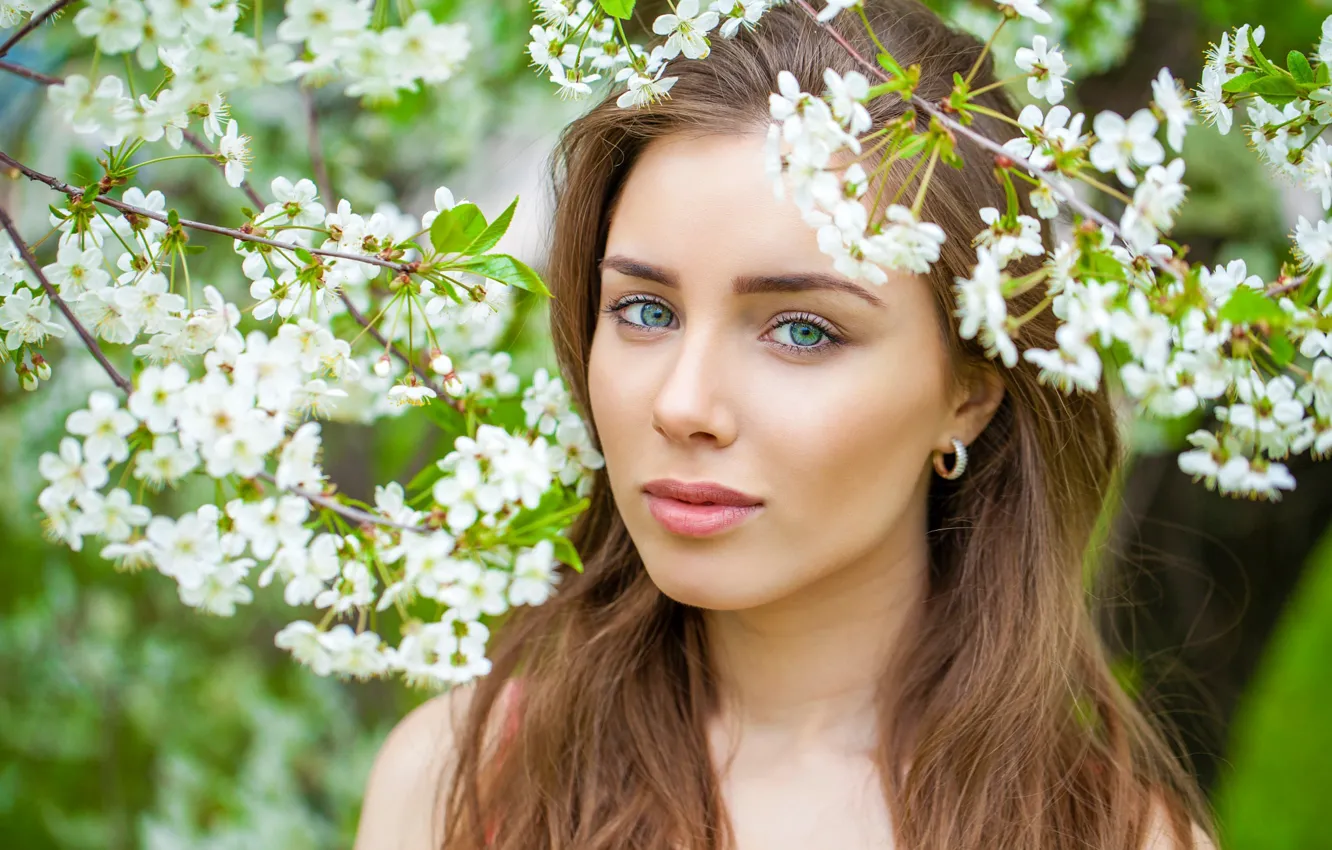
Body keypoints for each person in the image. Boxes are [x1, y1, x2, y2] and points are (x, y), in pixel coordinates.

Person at [354, 1, 1221, 848]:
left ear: (968, 392)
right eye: (646, 312)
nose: (683, 404)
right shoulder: (460, 781)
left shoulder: (1108, 835)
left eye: (803, 330)